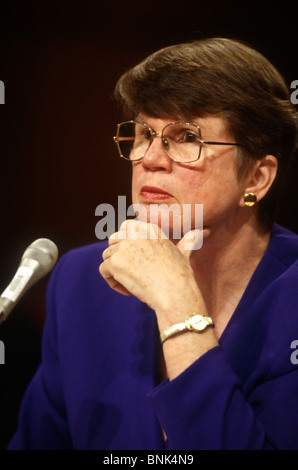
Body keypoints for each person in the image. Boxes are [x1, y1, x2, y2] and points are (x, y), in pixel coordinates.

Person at [8, 37, 298, 450]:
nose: (150, 158)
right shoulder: (82, 282)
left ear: (256, 178)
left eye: (185, 137)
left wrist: (178, 301)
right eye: (143, 134)